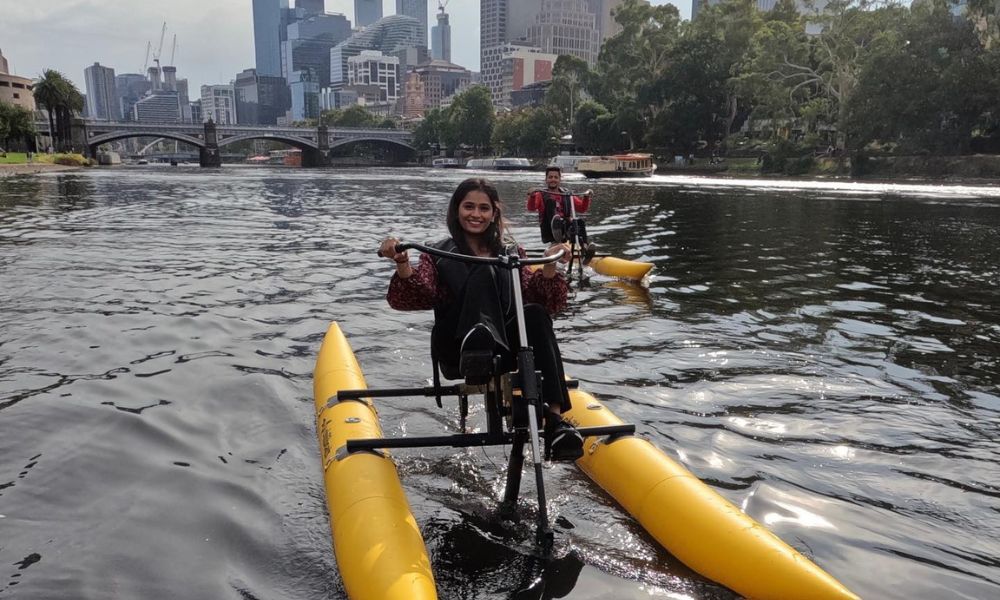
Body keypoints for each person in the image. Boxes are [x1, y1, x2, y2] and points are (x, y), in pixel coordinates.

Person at [380, 177, 584, 461]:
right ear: (457, 210)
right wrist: (402, 262)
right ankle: (477, 341)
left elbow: (544, 299)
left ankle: (554, 421)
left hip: (503, 347)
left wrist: (549, 266)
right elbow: (419, 293)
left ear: (494, 214)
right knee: (484, 272)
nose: (476, 214)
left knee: (535, 313)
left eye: (484, 208)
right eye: (469, 207)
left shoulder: (511, 253)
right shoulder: (436, 252)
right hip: (458, 349)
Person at [525, 166, 596, 263]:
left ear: (559, 179)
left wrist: (586, 197)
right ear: (546, 180)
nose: (553, 180)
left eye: (555, 177)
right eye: (550, 177)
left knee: (580, 222)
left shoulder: (566, 193)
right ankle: (556, 234)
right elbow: (531, 208)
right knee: (551, 203)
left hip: (565, 227)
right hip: (549, 229)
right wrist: (532, 196)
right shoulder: (540, 194)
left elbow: (582, 209)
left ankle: (585, 249)